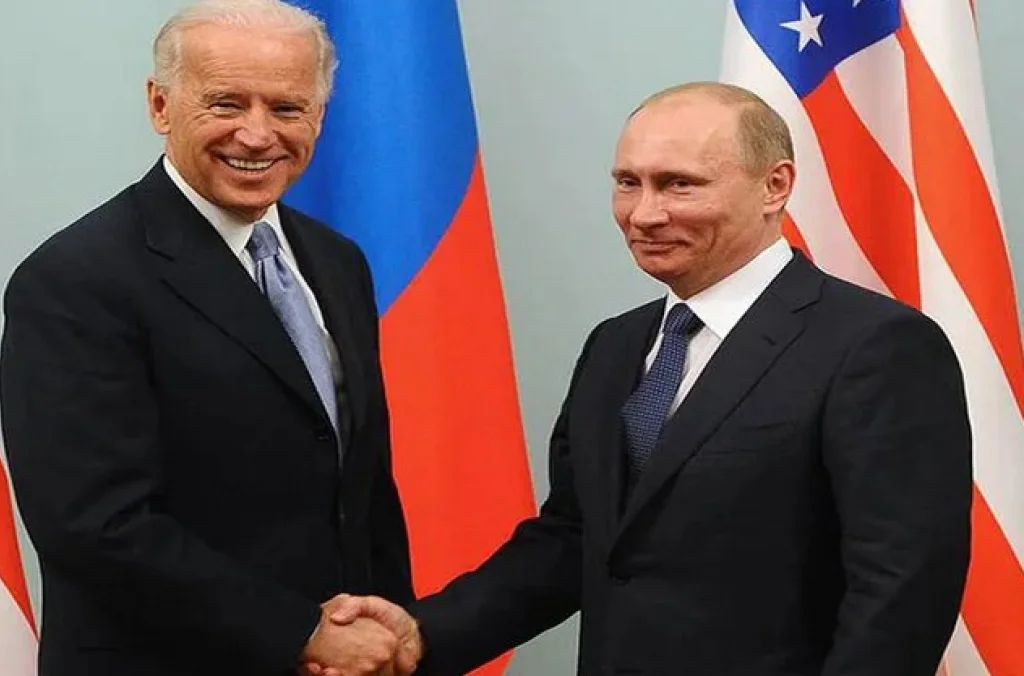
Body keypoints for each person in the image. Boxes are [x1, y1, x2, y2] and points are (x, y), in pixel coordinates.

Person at [323, 82, 973, 676]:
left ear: (775, 186)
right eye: (627, 183)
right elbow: (576, 538)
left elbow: (901, 587)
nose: (644, 214)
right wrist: (422, 634)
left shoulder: (875, 346)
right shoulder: (615, 346)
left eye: (678, 185)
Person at [0, 1, 414, 674]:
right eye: (226, 103)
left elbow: (360, 485)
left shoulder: (337, 262)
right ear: (160, 105)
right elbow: (94, 524)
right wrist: (300, 633)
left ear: (319, 116)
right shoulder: (75, 279)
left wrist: (391, 634)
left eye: (287, 108)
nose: (257, 135)